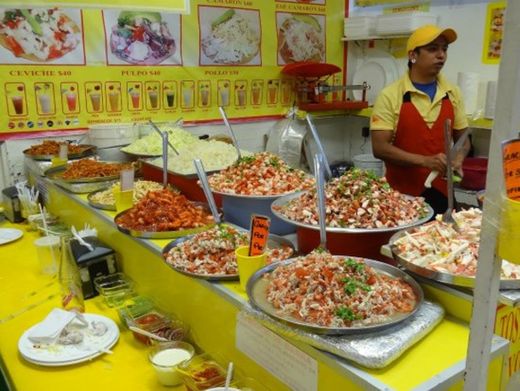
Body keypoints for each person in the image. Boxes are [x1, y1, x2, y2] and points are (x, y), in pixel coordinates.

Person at [370, 24, 471, 215]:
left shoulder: (452, 93)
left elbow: (463, 138)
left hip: (442, 192)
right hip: (401, 196)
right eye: (433, 49)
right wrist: (424, 161)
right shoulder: (390, 95)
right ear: (413, 55)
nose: (441, 55)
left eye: (444, 49)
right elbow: (380, 148)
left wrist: (458, 158)